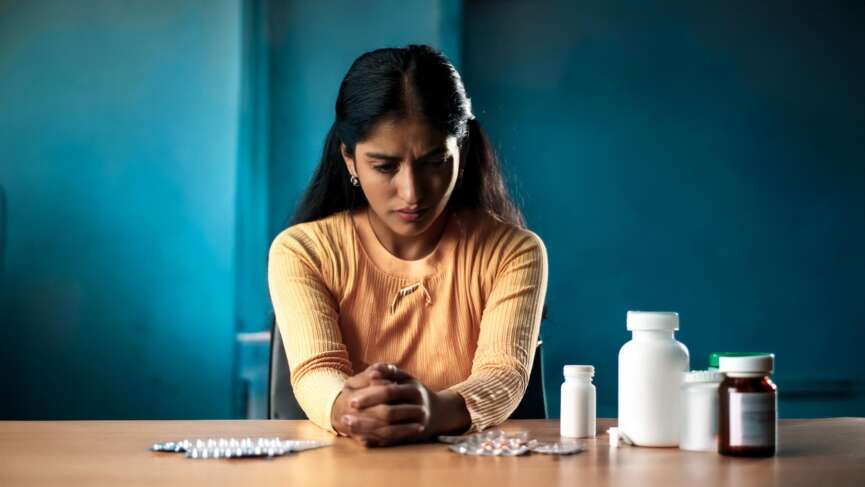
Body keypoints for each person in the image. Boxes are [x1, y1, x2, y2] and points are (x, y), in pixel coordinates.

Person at [267, 44, 548, 447]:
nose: (412, 192)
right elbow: (317, 370)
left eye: (434, 162)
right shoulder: (302, 251)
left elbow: (503, 373)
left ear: (462, 151)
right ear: (349, 159)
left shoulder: (513, 251)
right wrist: (346, 407)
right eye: (385, 166)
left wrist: (434, 411)